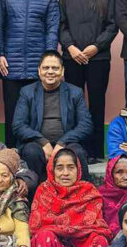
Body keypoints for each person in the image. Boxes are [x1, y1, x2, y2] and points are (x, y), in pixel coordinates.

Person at [0, 0, 60, 146]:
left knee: (36, 112)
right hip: (11, 64)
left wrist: (48, 60)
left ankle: (33, 151)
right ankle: (11, 151)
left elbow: (52, 28)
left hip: (37, 66)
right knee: (12, 111)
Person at [59, 0, 117, 161]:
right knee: (73, 105)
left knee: (96, 104)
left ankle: (95, 152)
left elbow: (112, 26)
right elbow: (61, 24)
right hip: (71, 57)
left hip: (98, 59)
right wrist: (71, 47)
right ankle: (75, 151)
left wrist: (96, 46)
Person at [12, 51, 92, 182]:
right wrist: (42, 141)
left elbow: (86, 125)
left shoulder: (75, 92)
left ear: (62, 71)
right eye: (46, 68)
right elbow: (18, 125)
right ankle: (35, 199)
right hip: (37, 144)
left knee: (77, 152)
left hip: (67, 143)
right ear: (39, 71)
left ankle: (83, 198)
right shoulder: (27, 92)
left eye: (55, 68)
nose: (50, 72)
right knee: (31, 152)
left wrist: (63, 142)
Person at [29, 149, 111, 247]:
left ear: (78, 170)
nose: (65, 173)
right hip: (54, 243)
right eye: (60, 168)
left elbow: (97, 226)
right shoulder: (44, 190)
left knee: (100, 240)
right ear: (52, 170)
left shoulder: (89, 191)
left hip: (82, 243)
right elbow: (37, 227)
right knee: (43, 236)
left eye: (71, 167)